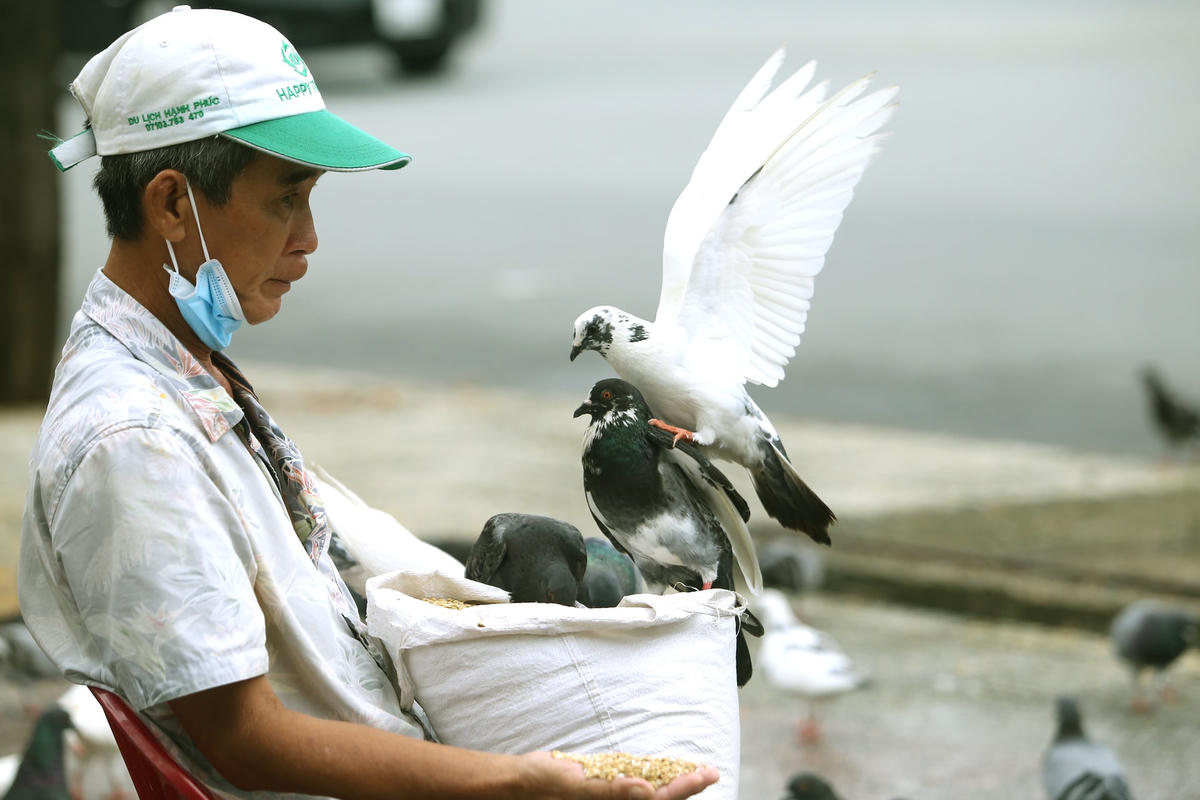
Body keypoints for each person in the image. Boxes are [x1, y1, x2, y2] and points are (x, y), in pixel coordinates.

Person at [17, 6, 719, 799]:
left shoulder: (183, 368)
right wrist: (516, 783)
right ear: (173, 205)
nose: (309, 238)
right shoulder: (132, 441)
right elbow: (245, 738)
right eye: (287, 200)